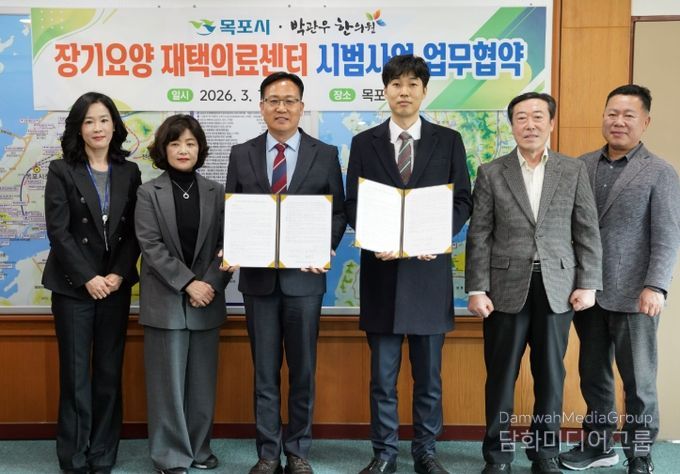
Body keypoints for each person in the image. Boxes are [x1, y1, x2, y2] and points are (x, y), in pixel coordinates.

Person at [345, 54, 472, 474]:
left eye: (412, 84)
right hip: (381, 274)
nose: (404, 92)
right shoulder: (364, 143)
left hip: (428, 274)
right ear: (385, 91)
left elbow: (462, 199)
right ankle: (384, 453)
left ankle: (426, 452)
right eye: (396, 84)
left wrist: (437, 235)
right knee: (382, 379)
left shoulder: (447, 140)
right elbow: (353, 202)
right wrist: (374, 236)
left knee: (428, 378)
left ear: (424, 90)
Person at [465, 92, 602, 474]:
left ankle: (545, 454)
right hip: (503, 290)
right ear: (512, 125)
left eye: (538, 116)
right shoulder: (491, 172)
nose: (530, 124)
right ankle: (498, 456)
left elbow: (587, 231)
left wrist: (589, 283)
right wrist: (477, 288)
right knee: (501, 377)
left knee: (551, 376)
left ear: (551, 123)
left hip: (558, 289)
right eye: (522, 117)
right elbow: (480, 234)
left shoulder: (573, 170)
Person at [224, 72, 346, 474]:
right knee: (264, 371)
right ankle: (267, 453)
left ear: (301, 107)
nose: (281, 107)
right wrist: (233, 245)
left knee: (302, 370)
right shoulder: (241, 153)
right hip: (258, 281)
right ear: (261, 107)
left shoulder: (324, 153)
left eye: (289, 100)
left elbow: (338, 211)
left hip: (304, 280)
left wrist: (325, 246)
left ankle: (297, 451)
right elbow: (233, 210)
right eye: (273, 101)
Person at [558, 85, 680, 474]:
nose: (619, 121)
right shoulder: (580, 166)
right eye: (612, 113)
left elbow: (668, 235)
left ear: (645, 122)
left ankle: (639, 454)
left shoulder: (660, 172)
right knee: (593, 376)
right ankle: (599, 446)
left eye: (629, 115)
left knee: (639, 383)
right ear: (603, 117)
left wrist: (656, 286)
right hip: (588, 292)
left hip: (635, 294)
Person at [43, 91, 141, 474]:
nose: (97, 128)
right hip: (73, 287)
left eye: (103, 120)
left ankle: (103, 453)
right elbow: (59, 231)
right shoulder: (61, 170)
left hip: (114, 286)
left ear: (114, 125)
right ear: (78, 128)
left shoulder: (129, 172)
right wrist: (88, 278)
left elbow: (133, 231)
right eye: (88, 121)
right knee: (75, 375)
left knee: (108, 372)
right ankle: (73, 457)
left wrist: (117, 273)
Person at [134, 115, 230, 474]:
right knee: (167, 386)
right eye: (175, 143)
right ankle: (170, 456)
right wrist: (190, 284)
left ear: (200, 148)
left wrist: (210, 285)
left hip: (208, 299)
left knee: (202, 384)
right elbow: (151, 246)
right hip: (166, 301)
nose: (183, 150)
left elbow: (228, 244)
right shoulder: (148, 192)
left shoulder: (216, 191)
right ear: (164, 149)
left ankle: (199, 449)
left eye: (190, 143)